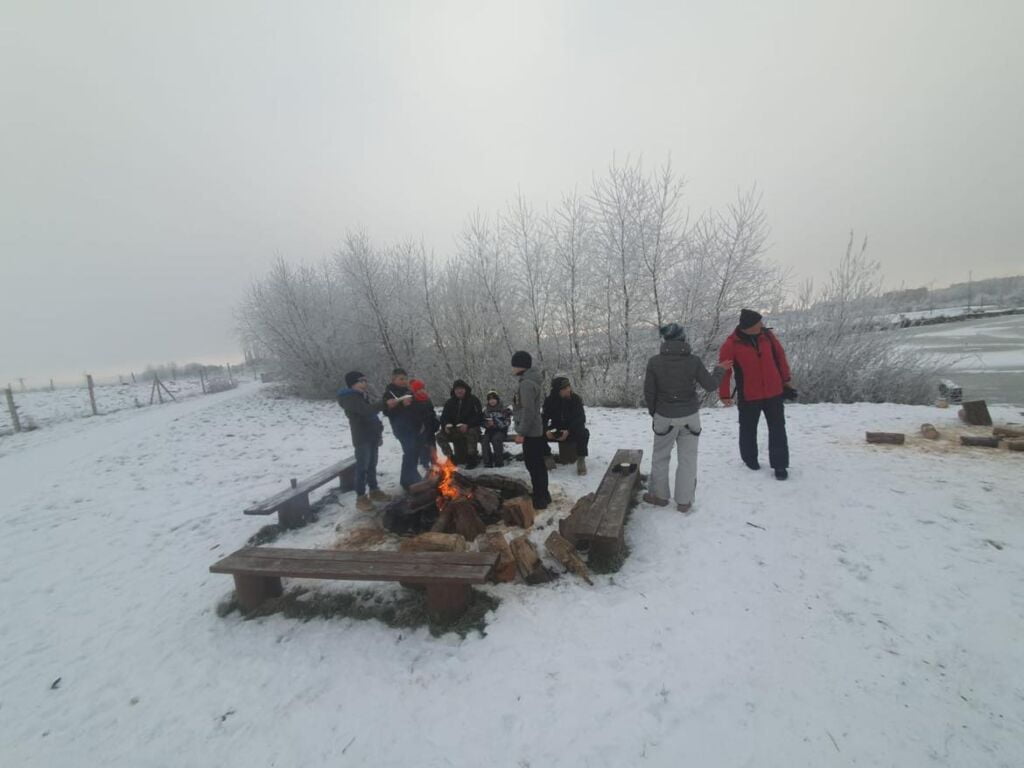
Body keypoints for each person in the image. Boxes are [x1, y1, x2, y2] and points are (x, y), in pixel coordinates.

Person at [643, 323, 732, 513]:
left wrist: (655, 413)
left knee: (660, 457)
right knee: (688, 459)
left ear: (665, 340)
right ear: (683, 338)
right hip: (690, 416)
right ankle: (684, 502)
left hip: (664, 415)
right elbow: (710, 385)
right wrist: (719, 370)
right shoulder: (693, 361)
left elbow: (649, 393)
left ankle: (660, 496)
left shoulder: (654, 362)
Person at [718, 309, 793, 480]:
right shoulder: (731, 344)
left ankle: (780, 466)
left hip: (774, 392)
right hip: (749, 395)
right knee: (748, 429)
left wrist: (786, 380)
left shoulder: (768, 337)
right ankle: (750, 459)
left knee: (778, 429)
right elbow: (724, 371)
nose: (762, 324)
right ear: (749, 326)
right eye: (759, 322)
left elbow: (780, 357)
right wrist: (724, 394)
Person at [337, 371, 390, 512]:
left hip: (372, 436)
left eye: (365, 381)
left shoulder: (362, 396)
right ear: (352, 384)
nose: (364, 384)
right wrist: (384, 404)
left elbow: (372, 416)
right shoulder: (349, 398)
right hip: (362, 438)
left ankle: (374, 490)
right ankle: (361, 498)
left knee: (372, 465)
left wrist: (378, 432)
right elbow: (366, 411)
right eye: (360, 381)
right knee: (362, 468)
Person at [511, 351, 550, 510]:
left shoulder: (526, 384)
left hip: (530, 432)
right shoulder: (531, 380)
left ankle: (540, 499)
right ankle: (544, 495)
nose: (512, 368)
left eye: (514, 365)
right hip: (535, 430)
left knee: (534, 466)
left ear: (520, 366)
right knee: (538, 465)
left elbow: (528, 411)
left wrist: (521, 432)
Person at [542, 376, 590, 475]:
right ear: (557, 391)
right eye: (564, 388)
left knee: (584, 433)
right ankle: (547, 456)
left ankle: (581, 459)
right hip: (556, 429)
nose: (568, 390)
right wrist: (546, 430)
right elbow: (543, 418)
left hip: (571, 430)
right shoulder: (549, 401)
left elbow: (581, 419)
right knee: (536, 433)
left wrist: (569, 431)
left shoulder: (575, 399)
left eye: (568, 387)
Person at [381, 368, 419, 491]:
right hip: (401, 428)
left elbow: (415, 408)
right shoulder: (389, 393)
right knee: (409, 452)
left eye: (405, 379)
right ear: (393, 379)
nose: (404, 381)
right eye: (401, 379)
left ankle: (413, 476)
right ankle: (407, 481)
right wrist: (401, 404)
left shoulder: (408, 391)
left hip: (413, 426)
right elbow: (387, 412)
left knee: (414, 452)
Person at [437, 379, 484, 467]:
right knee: (440, 436)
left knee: (472, 432)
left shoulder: (473, 400)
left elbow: (479, 416)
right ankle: (450, 457)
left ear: (465, 389)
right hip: (455, 429)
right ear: (454, 390)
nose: (459, 391)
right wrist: (445, 425)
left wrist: (468, 425)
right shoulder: (449, 402)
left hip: (471, 427)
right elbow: (444, 417)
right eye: (457, 389)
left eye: (461, 389)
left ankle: (472, 458)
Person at [409, 378, 440, 472]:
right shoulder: (412, 401)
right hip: (421, 429)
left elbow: (432, 412)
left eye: (422, 388)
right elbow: (412, 416)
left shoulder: (427, 399)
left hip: (430, 427)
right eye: (419, 389)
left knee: (432, 446)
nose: (421, 390)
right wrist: (419, 425)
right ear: (415, 390)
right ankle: (425, 464)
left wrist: (435, 422)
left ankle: (434, 462)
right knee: (424, 447)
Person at [481, 390, 512, 468]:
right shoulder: (486, 410)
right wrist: (486, 424)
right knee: (484, 440)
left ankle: (499, 461)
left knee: (496, 439)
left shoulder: (503, 409)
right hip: (489, 431)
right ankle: (487, 462)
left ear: (497, 400)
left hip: (501, 431)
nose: (492, 401)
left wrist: (496, 424)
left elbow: (507, 422)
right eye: (490, 399)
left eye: (494, 399)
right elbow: (482, 421)